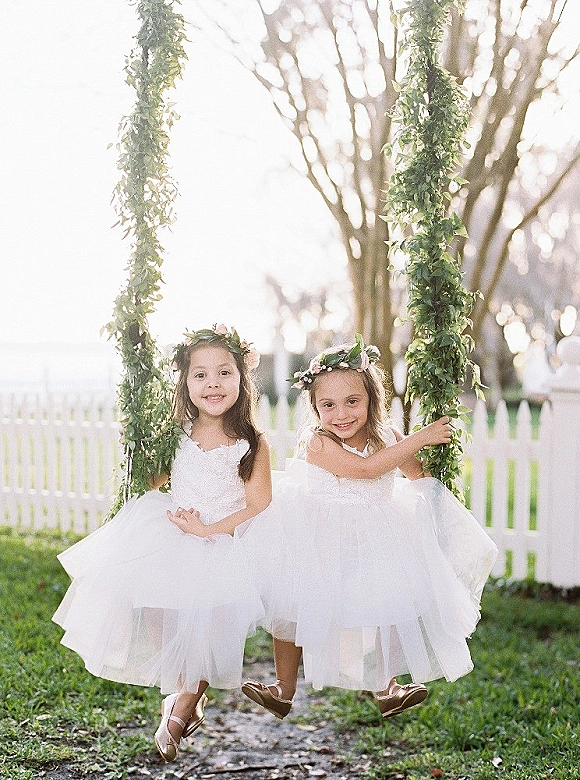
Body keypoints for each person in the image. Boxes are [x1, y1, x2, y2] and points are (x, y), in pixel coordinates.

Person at [240, 335, 497, 720]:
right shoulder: (317, 442)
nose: (341, 414)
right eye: (328, 405)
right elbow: (365, 469)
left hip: (377, 536)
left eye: (352, 401)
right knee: (293, 603)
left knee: (389, 601)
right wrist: (421, 437)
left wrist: (434, 479)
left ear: (372, 399)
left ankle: (386, 686)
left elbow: (415, 473)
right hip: (320, 538)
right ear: (315, 407)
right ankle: (283, 688)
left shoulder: (388, 436)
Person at [53, 325, 272, 762]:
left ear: (241, 378)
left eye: (224, 373)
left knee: (209, 628)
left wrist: (209, 531)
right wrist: (136, 447)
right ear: (185, 383)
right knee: (157, 606)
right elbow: (155, 481)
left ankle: (182, 707)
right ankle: (180, 691)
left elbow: (258, 503)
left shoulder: (251, 442)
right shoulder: (177, 433)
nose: (213, 384)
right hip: (173, 532)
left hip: (225, 539)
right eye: (200, 375)